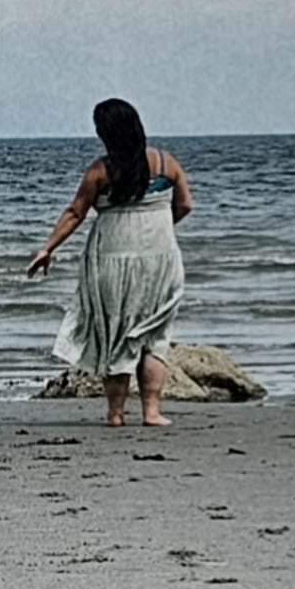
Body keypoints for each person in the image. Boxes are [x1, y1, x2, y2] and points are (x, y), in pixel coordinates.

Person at [28, 98, 194, 427]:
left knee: (116, 333)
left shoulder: (101, 170)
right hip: (161, 260)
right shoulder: (166, 162)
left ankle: (116, 414)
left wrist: (48, 248)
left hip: (112, 261)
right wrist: (158, 229)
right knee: (155, 335)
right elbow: (186, 205)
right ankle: (152, 412)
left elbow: (76, 212)